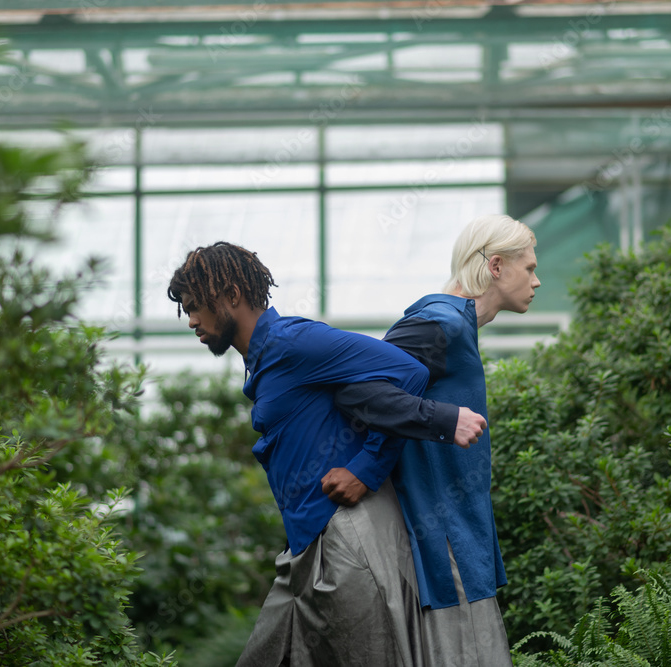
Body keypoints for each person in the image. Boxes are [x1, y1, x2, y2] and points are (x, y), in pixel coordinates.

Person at [166, 241, 486, 667]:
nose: (191, 321)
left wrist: (367, 468)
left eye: (195, 307)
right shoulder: (263, 361)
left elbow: (408, 371)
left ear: (232, 296)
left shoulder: (294, 341)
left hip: (349, 542)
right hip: (304, 549)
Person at [335, 213, 540, 667]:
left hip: (457, 536)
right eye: (530, 268)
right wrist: (365, 470)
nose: (537, 280)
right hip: (444, 543)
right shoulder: (440, 323)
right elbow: (361, 390)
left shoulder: (457, 326)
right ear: (497, 266)